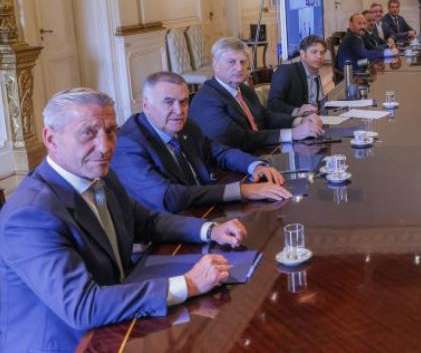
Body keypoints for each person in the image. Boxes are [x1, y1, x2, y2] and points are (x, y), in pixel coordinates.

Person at [0, 88, 246, 352]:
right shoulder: (30, 214)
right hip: (69, 343)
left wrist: (210, 230)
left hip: (117, 320)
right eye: (88, 133)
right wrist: (188, 284)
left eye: (110, 131)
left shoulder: (100, 177)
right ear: (51, 138)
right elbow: (83, 306)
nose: (105, 147)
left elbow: (146, 222)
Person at [113, 72, 291, 213]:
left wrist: (255, 166)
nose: (178, 111)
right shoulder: (128, 145)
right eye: (169, 103)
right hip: (170, 229)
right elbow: (168, 197)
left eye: (183, 102)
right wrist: (242, 191)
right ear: (146, 105)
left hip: (206, 209)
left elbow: (218, 152)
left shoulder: (186, 125)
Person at [189, 38, 323, 152]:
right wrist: (291, 134)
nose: (239, 68)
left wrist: (298, 121)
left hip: (262, 151)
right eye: (231, 62)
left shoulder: (243, 89)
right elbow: (239, 139)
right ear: (216, 65)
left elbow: (265, 116)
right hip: (232, 169)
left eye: (242, 62)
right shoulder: (207, 100)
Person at [268, 35, 328, 114]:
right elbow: (273, 104)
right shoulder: (285, 72)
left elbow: (317, 102)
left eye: (322, 53)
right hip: (291, 122)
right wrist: (297, 111)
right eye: (314, 52)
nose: (319, 56)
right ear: (302, 54)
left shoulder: (315, 73)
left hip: (313, 118)